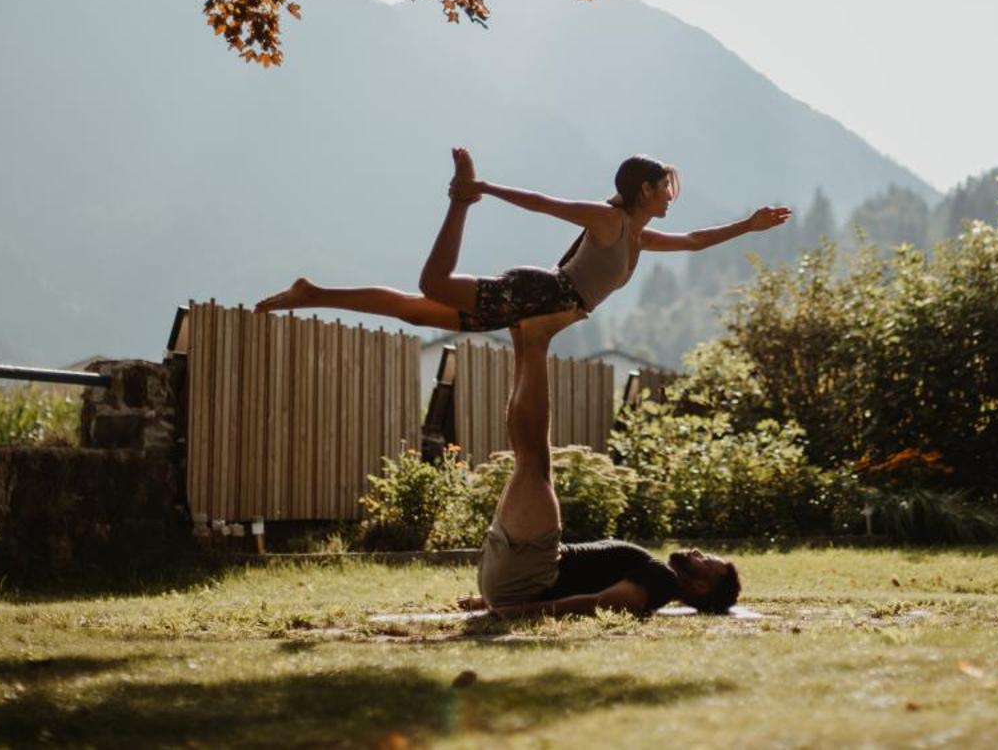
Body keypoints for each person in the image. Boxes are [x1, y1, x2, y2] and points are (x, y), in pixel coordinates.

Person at [254, 148, 791, 331]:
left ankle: (313, 293)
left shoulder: (639, 238)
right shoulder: (610, 223)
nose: (671, 198)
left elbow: (695, 241)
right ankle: (460, 202)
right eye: (665, 190)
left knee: (412, 311)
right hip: (538, 296)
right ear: (644, 189)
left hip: (538, 305)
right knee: (430, 284)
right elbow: (543, 202)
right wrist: (482, 187)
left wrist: (748, 225)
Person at [463, 307, 741, 617]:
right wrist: (491, 601)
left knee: (533, 457)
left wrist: (521, 611)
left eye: (704, 561)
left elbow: (602, 603)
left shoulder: (662, 583)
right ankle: (524, 335)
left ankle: (535, 339)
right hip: (519, 573)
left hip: (527, 577)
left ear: (702, 587)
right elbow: (586, 586)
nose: (696, 552)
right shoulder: (658, 578)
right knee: (529, 455)